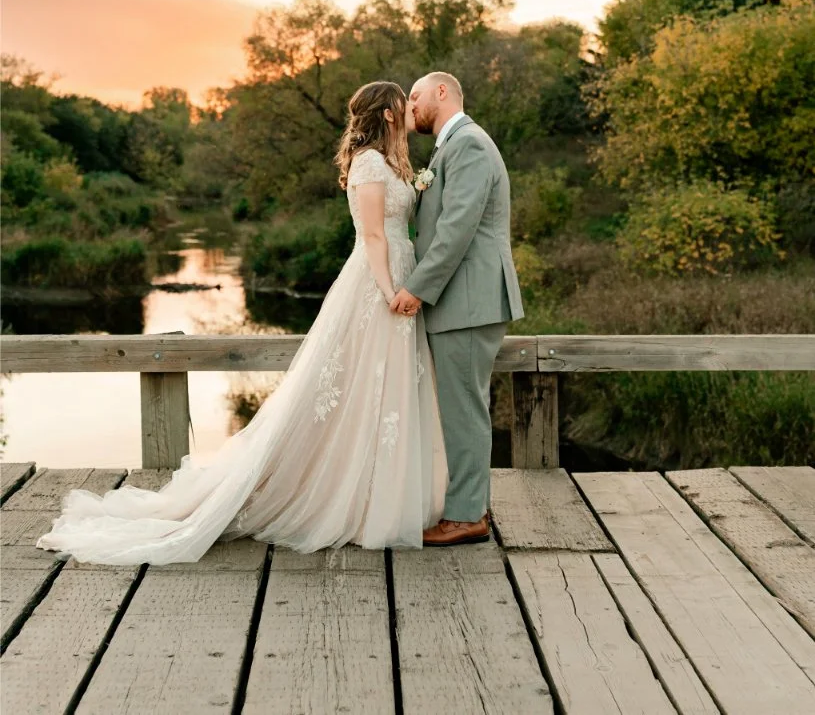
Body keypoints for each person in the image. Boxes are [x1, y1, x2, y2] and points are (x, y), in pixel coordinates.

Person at [35, 81, 447, 564]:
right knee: (354, 388)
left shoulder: (393, 163)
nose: (410, 109)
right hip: (380, 284)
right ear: (391, 113)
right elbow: (375, 235)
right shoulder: (372, 163)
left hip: (398, 277)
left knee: (382, 391)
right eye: (404, 103)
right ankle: (344, 497)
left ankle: (378, 493)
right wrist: (388, 292)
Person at [390, 71, 524, 546]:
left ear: (442, 93)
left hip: (468, 300)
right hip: (463, 300)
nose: (411, 106)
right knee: (458, 406)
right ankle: (465, 506)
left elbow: (458, 228)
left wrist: (417, 288)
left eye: (417, 96)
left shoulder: (468, 144)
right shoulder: (453, 146)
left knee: (464, 409)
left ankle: (468, 515)